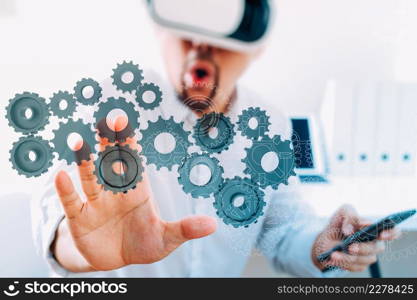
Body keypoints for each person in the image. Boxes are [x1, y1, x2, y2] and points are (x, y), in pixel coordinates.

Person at [32, 1, 399, 277]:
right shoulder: (109, 100)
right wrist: (81, 249)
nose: (199, 49)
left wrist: (321, 246)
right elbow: (55, 209)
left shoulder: (270, 124)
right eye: (187, 28)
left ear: (258, 44)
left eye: (221, 32)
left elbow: (280, 230)